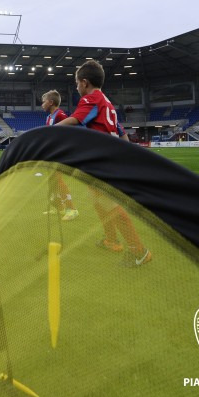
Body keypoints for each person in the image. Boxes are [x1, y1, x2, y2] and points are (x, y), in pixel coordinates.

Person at [56, 60, 152, 267]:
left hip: (102, 161)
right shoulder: (106, 102)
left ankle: (140, 252)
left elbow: (74, 120)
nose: (76, 87)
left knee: (110, 204)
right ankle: (111, 240)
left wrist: (45, 133)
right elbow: (120, 131)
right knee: (97, 200)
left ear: (85, 82)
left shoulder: (90, 99)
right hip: (103, 160)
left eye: (77, 83)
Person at [40, 90, 79, 221]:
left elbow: (68, 134)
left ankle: (72, 209)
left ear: (51, 102)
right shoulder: (49, 117)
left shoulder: (60, 115)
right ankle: (59, 207)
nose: (42, 104)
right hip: (51, 153)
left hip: (59, 153)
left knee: (58, 180)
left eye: (43, 102)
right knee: (52, 181)